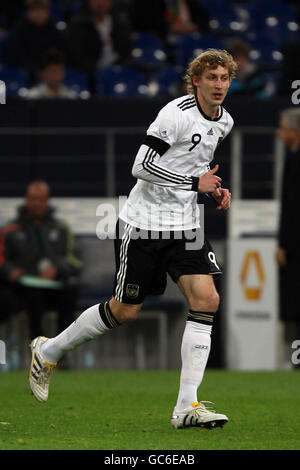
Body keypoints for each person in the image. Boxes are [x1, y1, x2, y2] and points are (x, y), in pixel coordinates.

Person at [29, 48, 236, 429]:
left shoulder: (225, 122)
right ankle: (49, 350)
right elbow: (140, 165)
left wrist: (209, 188)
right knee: (124, 311)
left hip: (186, 225)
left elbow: (194, 163)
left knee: (207, 298)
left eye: (224, 78)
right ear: (197, 81)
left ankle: (186, 407)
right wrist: (194, 182)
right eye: (211, 78)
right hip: (143, 223)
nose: (219, 85)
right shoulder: (174, 114)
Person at [0, 180, 82, 340]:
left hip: (52, 288)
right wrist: (12, 271)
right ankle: (36, 344)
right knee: (29, 294)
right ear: (26, 199)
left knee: (71, 288)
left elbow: (74, 260)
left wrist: (57, 268)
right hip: (21, 288)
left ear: (47, 200)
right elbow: (2, 259)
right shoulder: (10, 229)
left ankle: (61, 347)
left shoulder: (61, 228)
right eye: (33, 198)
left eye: (40, 199)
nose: (36, 203)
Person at [275, 108, 300, 367]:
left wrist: (284, 243)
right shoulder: (292, 157)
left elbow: (292, 207)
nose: (280, 134)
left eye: (283, 129)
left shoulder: (295, 160)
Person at [65, 0, 132, 90]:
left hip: (117, 75)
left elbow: (127, 52)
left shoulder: (120, 23)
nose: (101, 3)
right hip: (89, 78)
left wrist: (116, 70)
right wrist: (96, 72)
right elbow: (76, 57)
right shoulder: (77, 25)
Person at [3, 0, 64, 85]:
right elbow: (16, 57)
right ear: (28, 12)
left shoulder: (53, 31)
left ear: (47, 12)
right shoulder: (18, 31)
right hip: (28, 73)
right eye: (35, 10)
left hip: (48, 69)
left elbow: (59, 53)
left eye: (42, 10)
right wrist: (36, 70)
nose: (38, 14)